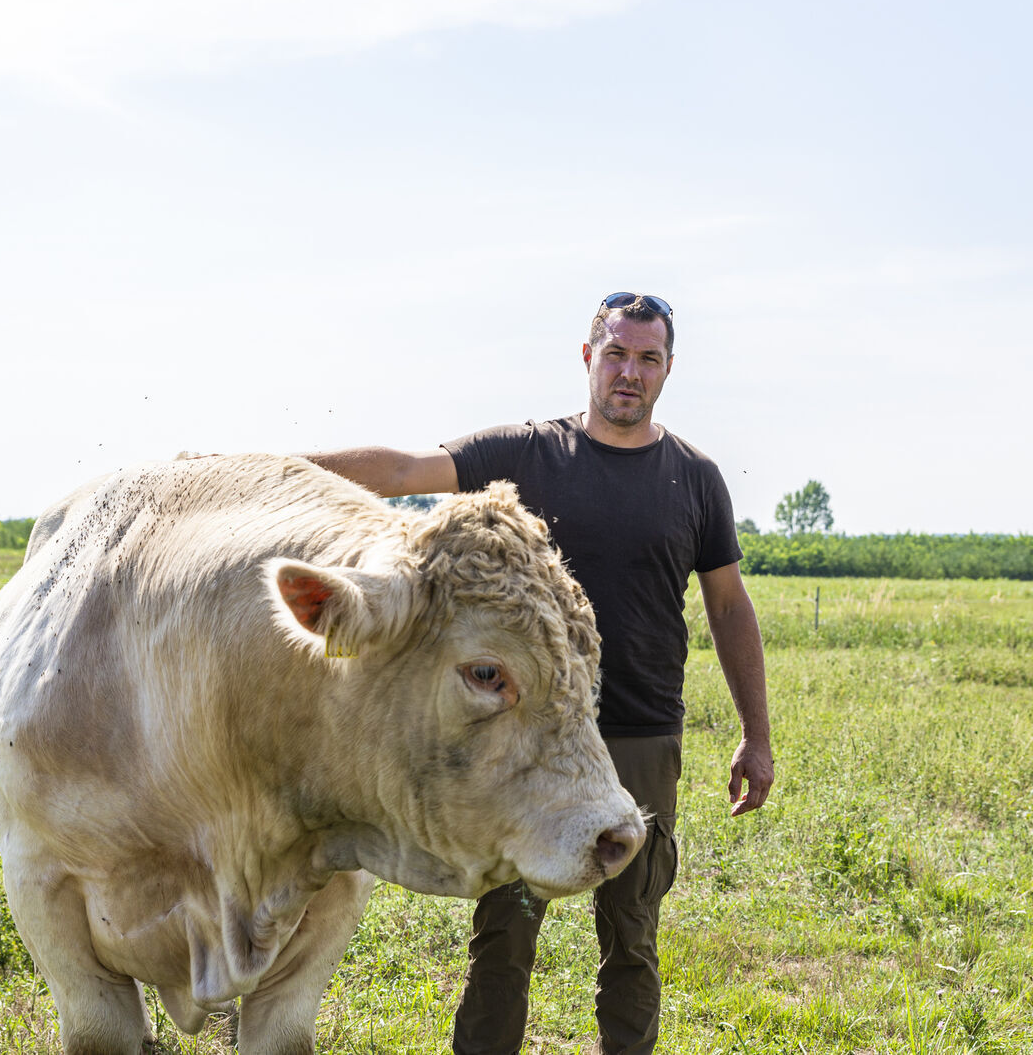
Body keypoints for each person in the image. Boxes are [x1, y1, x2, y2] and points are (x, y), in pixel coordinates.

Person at [304, 292, 772, 1055]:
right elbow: (399, 468)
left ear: (668, 370)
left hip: (642, 734)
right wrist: (263, 475)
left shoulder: (695, 479)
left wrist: (756, 734)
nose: (630, 372)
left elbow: (728, 607)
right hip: (528, 740)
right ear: (588, 357)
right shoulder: (527, 454)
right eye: (617, 354)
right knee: (505, 937)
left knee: (632, 933)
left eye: (648, 359)